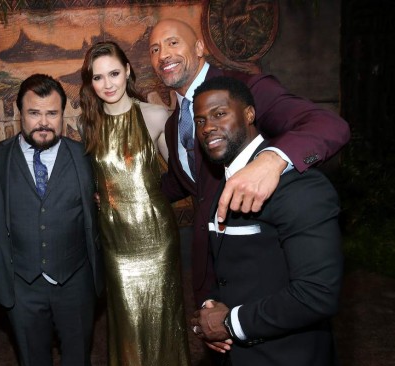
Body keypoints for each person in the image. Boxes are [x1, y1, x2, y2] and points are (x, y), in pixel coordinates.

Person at [148, 19, 351, 306]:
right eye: (154, 49)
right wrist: (120, 194)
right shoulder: (174, 124)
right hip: (212, 275)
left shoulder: (248, 88)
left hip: (266, 276)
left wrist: (271, 161)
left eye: (172, 43)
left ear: (200, 47)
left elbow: (328, 125)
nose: (163, 55)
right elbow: (186, 182)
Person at [190, 76, 343, 366]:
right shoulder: (225, 178)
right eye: (200, 120)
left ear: (248, 114)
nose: (207, 128)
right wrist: (210, 306)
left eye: (220, 114)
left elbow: (317, 294)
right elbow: (233, 266)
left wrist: (230, 323)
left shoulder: (299, 186)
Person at [78, 41, 195, 366]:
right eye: (98, 77)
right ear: (91, 82)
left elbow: (182, 176)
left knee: (162, 326)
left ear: (128, 70)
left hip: (156, 240)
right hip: (116, 245)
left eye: (113, 73)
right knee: (127, 329)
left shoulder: (155, 116)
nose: (107, 84)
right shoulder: (89, 125)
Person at [0, 74, 103, 366]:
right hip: (21, 285)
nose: (43, 123)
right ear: (20, 112)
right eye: (34, 113)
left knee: (78, 364)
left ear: (64, 115)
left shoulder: (86, 157)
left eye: (52, 113)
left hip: (75, 281)